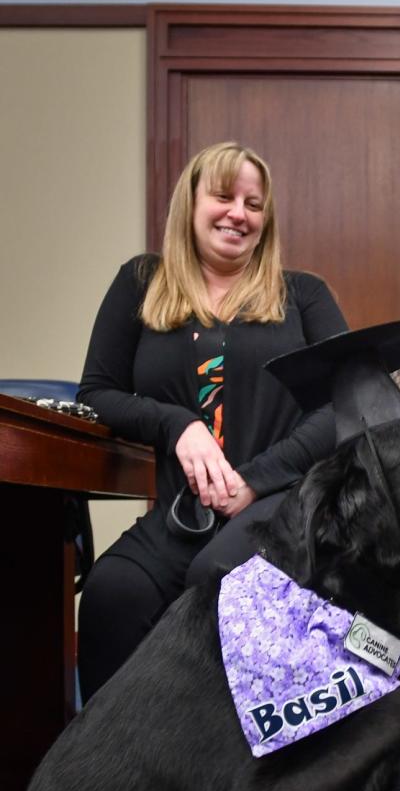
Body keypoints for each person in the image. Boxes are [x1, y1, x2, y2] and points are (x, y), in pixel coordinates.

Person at [77, 141, 348, 703]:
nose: (238, 214)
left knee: (218, 578)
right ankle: (114, 767)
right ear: (190, 203)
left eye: (254, 203)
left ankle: (238, 771)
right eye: (224, 197)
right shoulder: (141, 283)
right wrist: (177, 423)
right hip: (183, 512)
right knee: (111, 591)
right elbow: (98, 393)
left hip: (278, 504)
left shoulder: (303, 294)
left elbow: (347, 404)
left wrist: (257, 478)